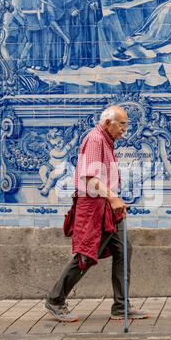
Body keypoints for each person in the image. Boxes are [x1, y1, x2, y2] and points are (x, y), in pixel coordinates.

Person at [45, 105, 149, 322]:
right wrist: (112, 197)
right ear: (108, 122)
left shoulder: (107, 141)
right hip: (94, 206)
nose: (124, 129)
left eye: (126, 124)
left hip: (108, 207)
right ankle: (55, 299)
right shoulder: (95, 139)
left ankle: (121, 306)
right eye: (122, 124)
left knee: (124, 250)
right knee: (87, 256)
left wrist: (113, 199)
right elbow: (88, 178)